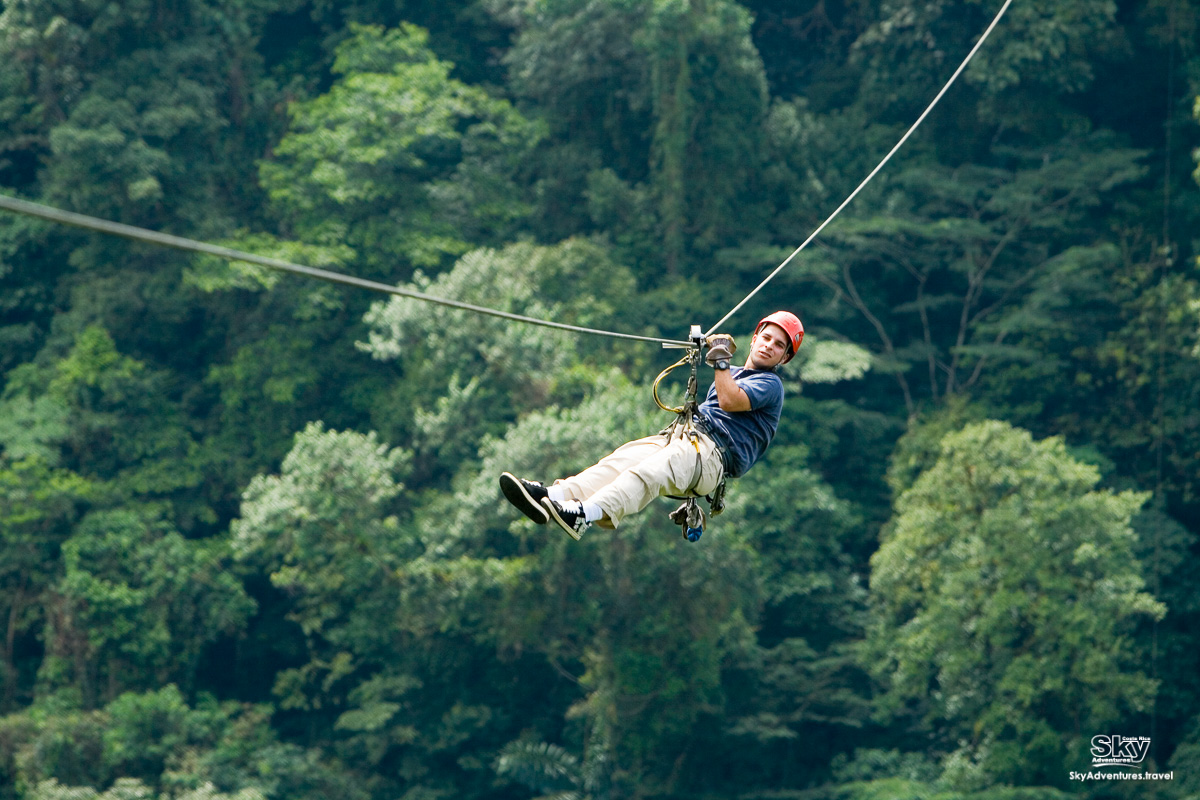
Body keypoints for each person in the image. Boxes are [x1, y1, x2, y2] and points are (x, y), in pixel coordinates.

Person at [499, 311, 803, 540]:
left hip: (711, 457)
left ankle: (585, 515)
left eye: (778, 345)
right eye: (766, 338)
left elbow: (729, 401)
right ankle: (554, 497)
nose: (768, 346)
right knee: (618, 462)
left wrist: (719, 360)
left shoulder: (770, 385)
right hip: (686, 437)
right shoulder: (733, 372)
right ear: (754, 338)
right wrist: (715, 359)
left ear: (785, 358)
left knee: (648, 472)